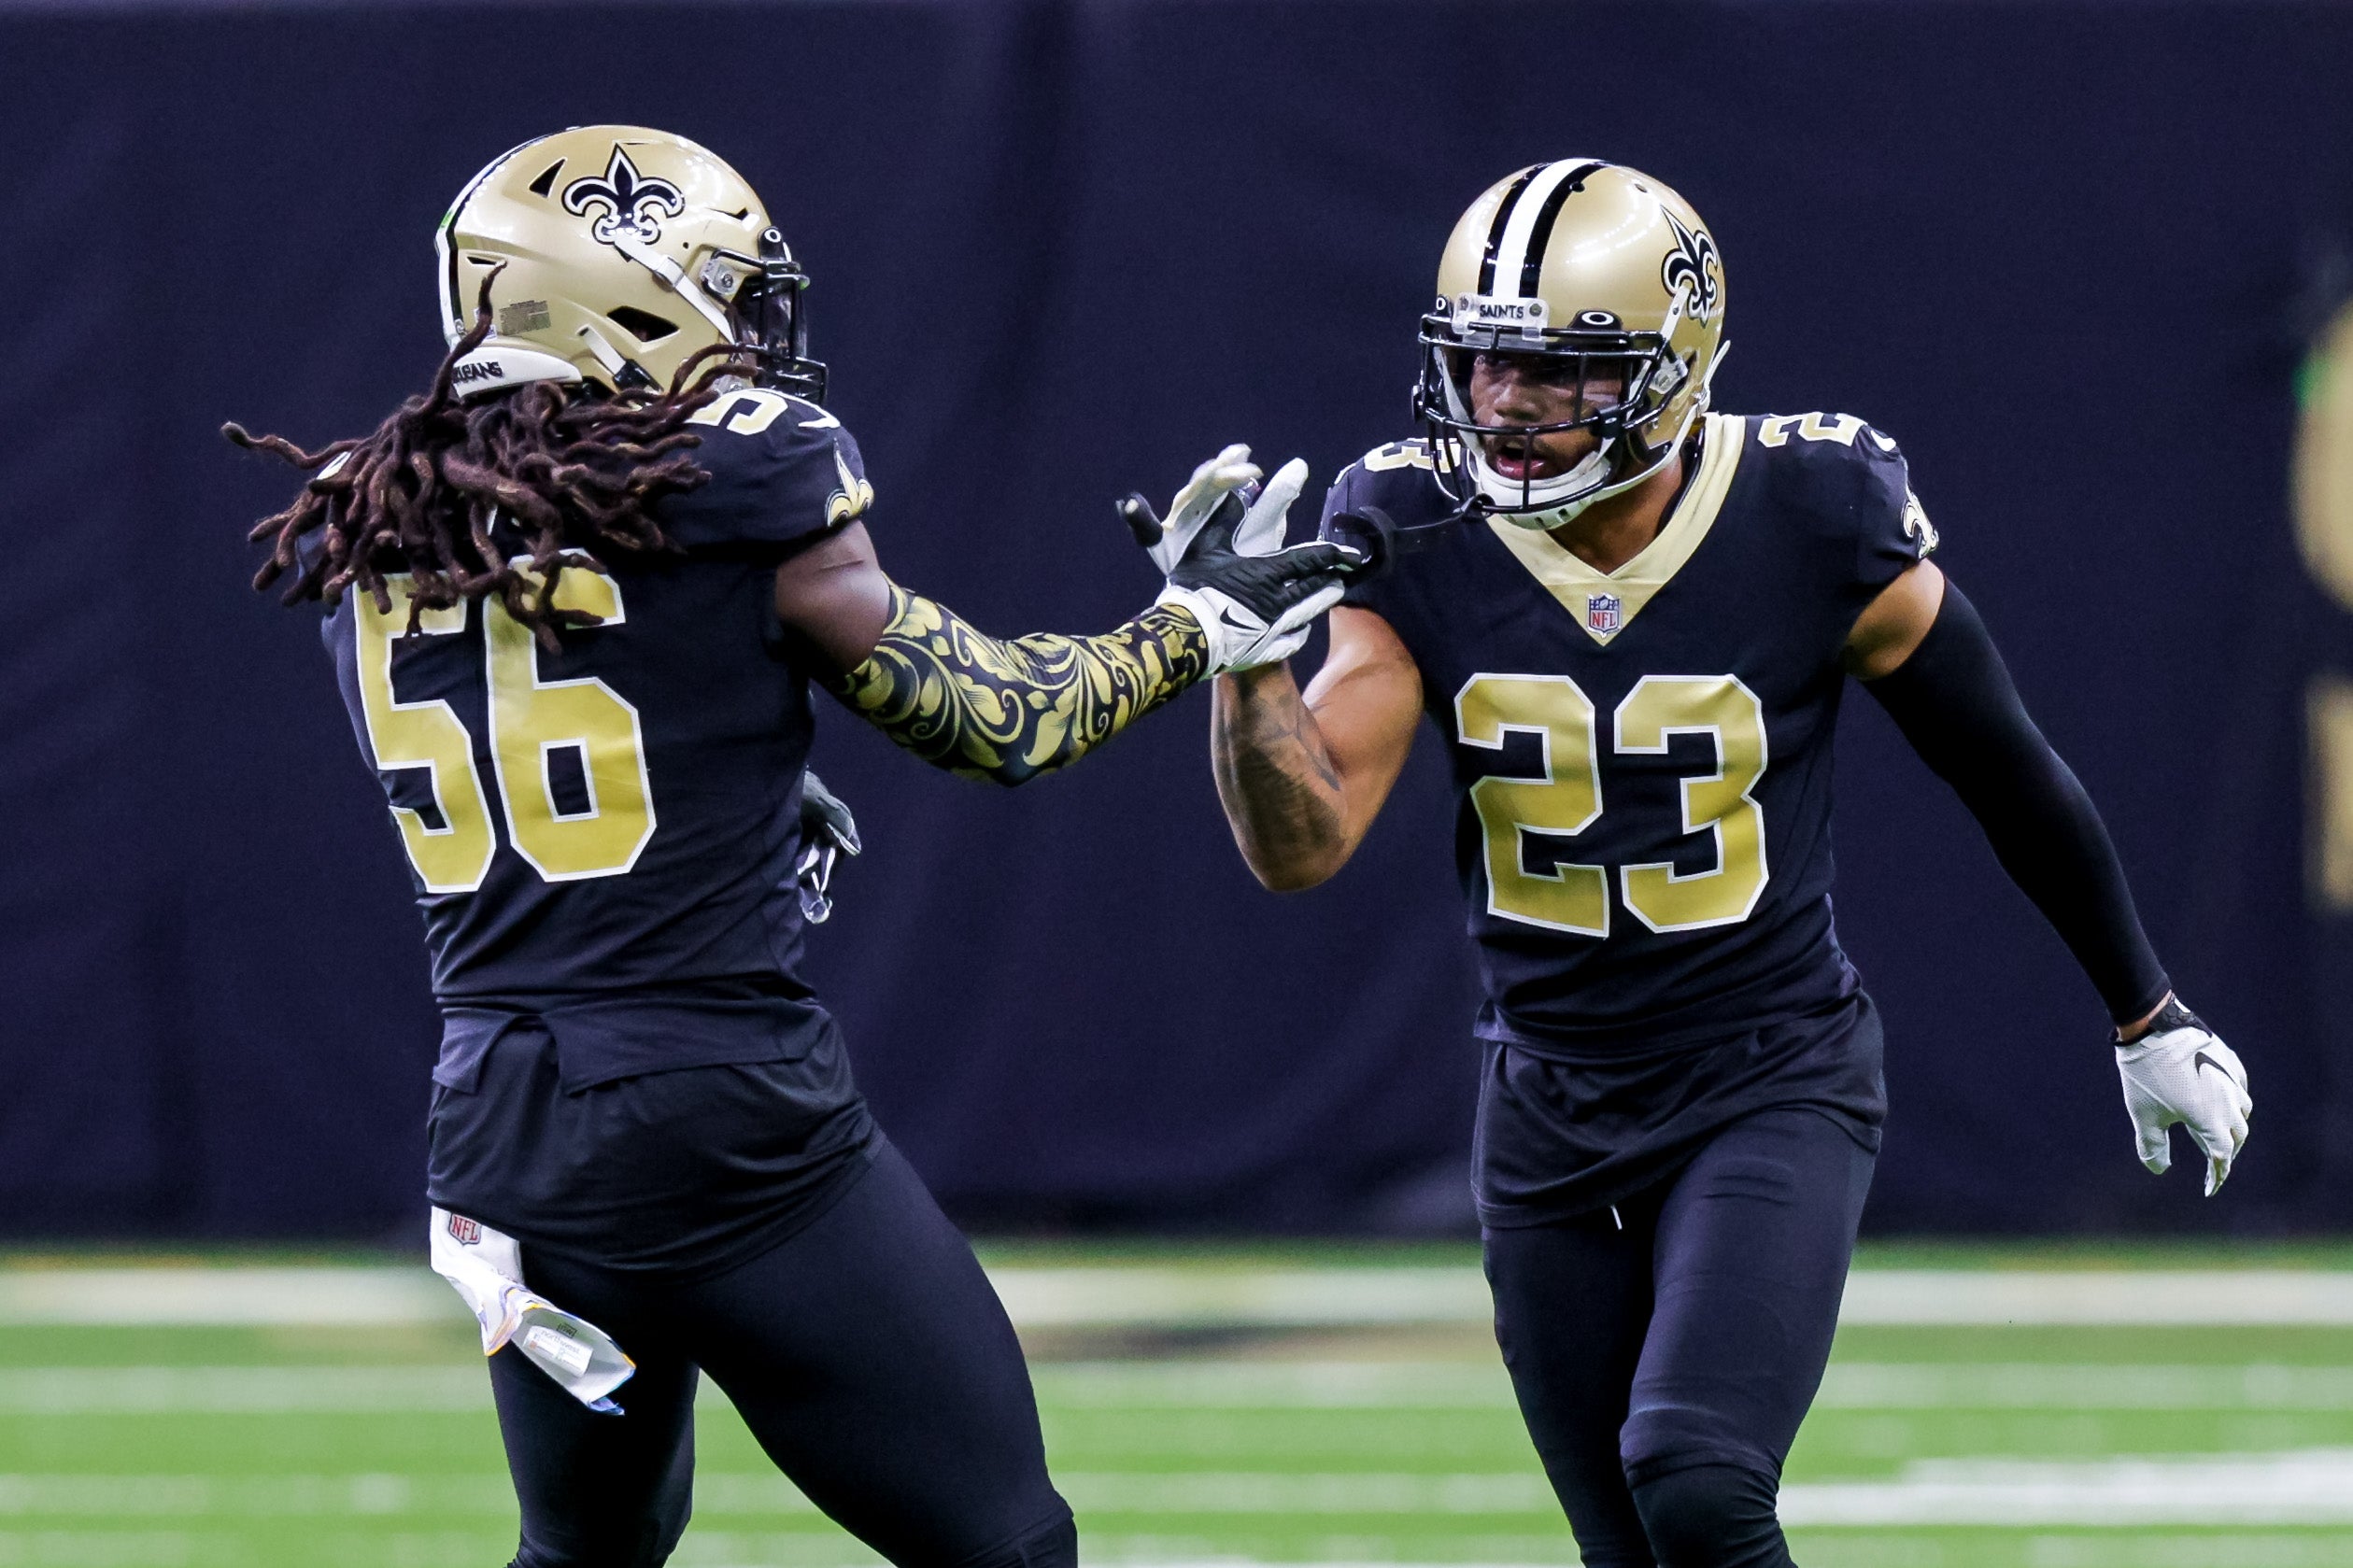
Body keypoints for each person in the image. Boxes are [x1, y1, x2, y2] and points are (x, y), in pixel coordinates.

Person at [227, 125, 1354, 1568]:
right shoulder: (739, 470)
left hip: (500, 1118)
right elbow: (1003, 721)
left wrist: (737, 784)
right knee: (1007, 1544)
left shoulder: (376, 516)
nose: (754, 342)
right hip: (714, 1109)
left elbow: (582, 720)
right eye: (727, 297)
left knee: (588, 1553)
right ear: (629, 297)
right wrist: (1197, 627)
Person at [1195, 160, 2255, 1568]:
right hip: (1547, 1104)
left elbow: (2001, 765)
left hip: (1766, 1076)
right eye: (1485, 363)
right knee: (1627, 1549)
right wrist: (1249, 674)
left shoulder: (1812, 510)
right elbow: (1303, 843)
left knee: (1694, 1476)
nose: (1505, 403)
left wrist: (2147, 1008)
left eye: (1561, 369)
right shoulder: (1412, 524)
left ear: (1675, 369)